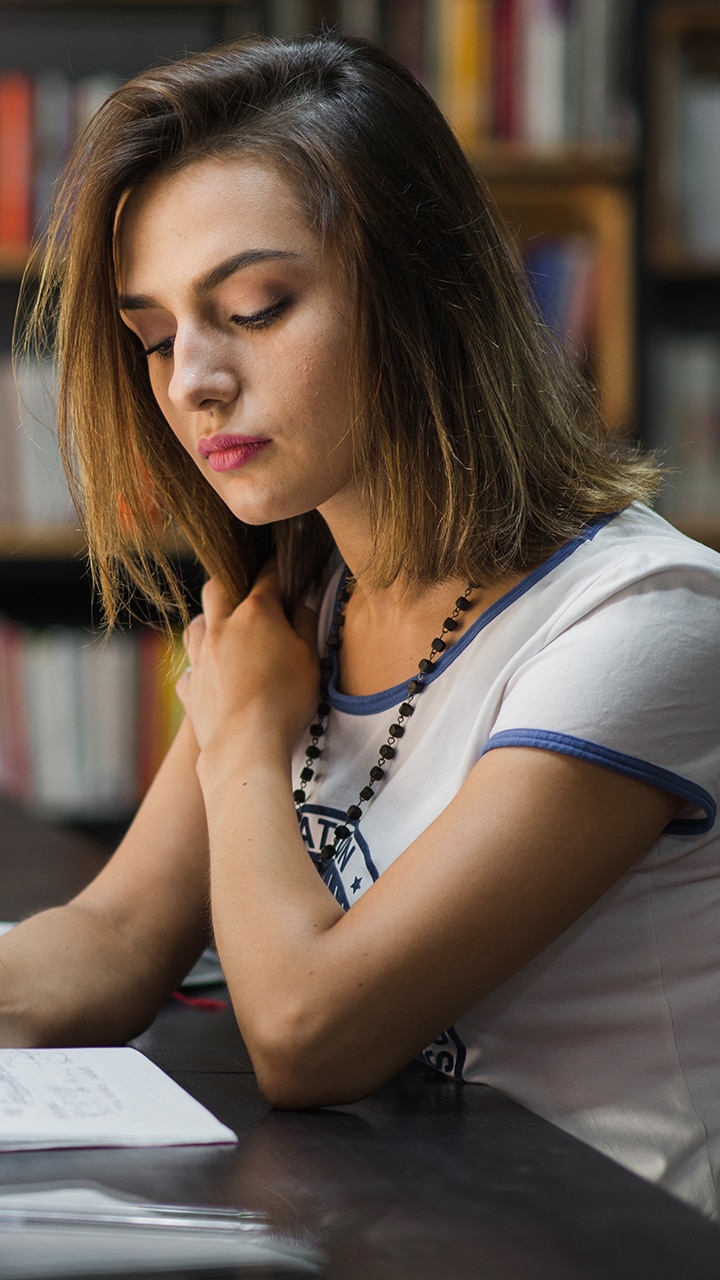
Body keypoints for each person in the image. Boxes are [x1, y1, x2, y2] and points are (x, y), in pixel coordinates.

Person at [3, 33, 720, 1218]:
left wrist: (240, 740)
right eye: (157, 336)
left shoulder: (646, 623)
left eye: (254, 306)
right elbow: (116, 935)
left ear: (423, 294)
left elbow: (307, 1033)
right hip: (402, 1216)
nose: (192, 379)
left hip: (605, 1239)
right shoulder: (308, 596)